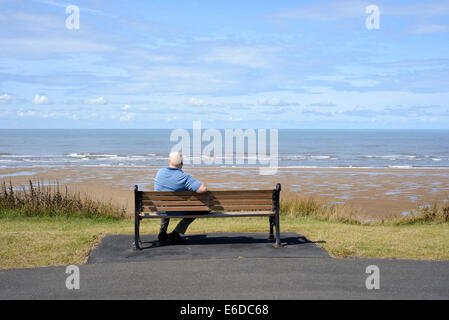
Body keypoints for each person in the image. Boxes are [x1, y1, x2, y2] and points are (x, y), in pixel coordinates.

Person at [154, 151, 207, 243]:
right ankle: (175, 233)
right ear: (182, 163)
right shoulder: (184, 177)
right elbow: (203, 189)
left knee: (165, 203)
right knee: (199, 209)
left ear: (169, 161)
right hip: (178, 209)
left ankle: (162, 233)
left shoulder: (160, 172)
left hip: (160, 209)